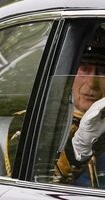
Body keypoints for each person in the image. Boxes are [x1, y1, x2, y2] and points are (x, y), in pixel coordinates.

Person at [54, 26, 105, 188]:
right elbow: (30, 186)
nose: (92, 84)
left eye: (103, 71)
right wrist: (78, 148)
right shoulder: (34, 122)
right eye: (84, 69)